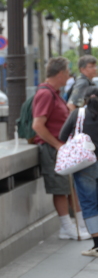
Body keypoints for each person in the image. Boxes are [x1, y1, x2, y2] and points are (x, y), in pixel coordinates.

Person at [32, 57, 90, 240]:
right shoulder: (45, 94)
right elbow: (38, 125)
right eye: (67, 73)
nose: (69, 77)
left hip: (60, 148)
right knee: (60, 189)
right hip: (53, 149)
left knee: (69, 187)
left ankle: (79, 225)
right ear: (60, 73)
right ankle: (67, 227)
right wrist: (58, 145)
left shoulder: (53, 93)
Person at [60, 86, 98, 257]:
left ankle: (97, 245)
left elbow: (62, 136)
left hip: (85, 165)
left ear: (85, 99)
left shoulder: (78, 114)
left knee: (89, 203)